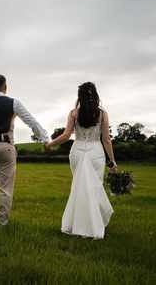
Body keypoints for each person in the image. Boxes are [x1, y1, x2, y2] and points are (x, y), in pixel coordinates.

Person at [0, 74, 49, 226]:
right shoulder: (14, 103)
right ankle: (2, 221)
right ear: (5, 87)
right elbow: (31, 121)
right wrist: (45, 138)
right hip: (7, 146)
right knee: (5, 186)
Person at [45, 82, 116, 239]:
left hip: (77, 152)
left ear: (80, 96)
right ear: (95, 95)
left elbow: (65, 135)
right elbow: (106, 140)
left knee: (79, 188)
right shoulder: (102, 114)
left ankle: (80, 225)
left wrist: (50, 144)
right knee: (94, 188)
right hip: (96, 153)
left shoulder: (73, 113)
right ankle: (93, 225)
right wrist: (112, 161)